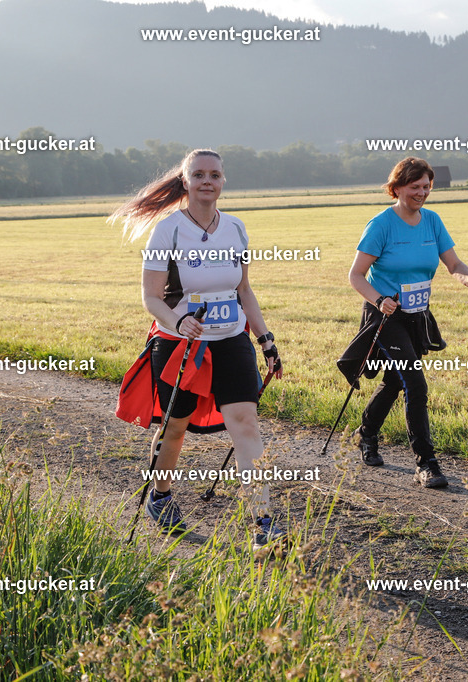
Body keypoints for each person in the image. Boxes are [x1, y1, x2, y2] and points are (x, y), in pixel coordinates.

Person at [110, 148, 284, 548]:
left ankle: (263, 523)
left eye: (216, 175)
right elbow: (151, 298)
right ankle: (161, 495)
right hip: (178, 342)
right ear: (185, 181)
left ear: (223, 181)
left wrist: (265, 339)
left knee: (246, 424)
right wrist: (179, 321)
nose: (208, 181)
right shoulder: (168, 230)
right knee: (174, 428)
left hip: (231, 339)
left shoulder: (236, 227)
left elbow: (243, 290)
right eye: (200, 175)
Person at [347, 157, 468, 488]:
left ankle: (365, 432)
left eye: (427, 186)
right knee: (415, 383)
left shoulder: (432, 222)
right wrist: (379, 300)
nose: (422, 193)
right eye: (415, 187)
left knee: (396, 381)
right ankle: (426, 462)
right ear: (397, 188)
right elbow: (356, 275)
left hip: (417, 315)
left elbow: (453, 264)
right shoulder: (381, 225)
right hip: (386, 315)